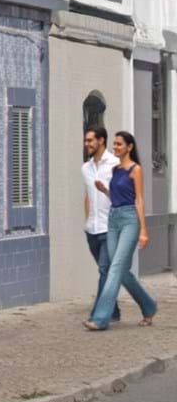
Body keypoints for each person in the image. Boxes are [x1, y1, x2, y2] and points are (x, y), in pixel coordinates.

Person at [85, 130, 157, 330]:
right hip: (113, 219)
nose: (115, 147)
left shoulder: (136, 169)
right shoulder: (116, 170)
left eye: (119, 144)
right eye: (114, 144)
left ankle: (100, 318)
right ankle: (149, 306)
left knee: (115, 267)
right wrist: (105, 191)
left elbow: (138, 200)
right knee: (121, 271)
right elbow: (118, 197)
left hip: (129, 221)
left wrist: (143, 230)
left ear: (129, 147)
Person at [82, 127, 123, 322]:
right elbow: (88, 196)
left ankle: (98, 315)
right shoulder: (86, 168)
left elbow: (124, 197)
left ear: (101, 141)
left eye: (90, 140)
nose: (87, 144)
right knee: (106, 271)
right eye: (86, 140)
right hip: (92, 229)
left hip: (110, 227)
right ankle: (113, 309)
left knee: (105, 270)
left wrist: (106, 190)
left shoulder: (116, 164)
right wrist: (87, 221)